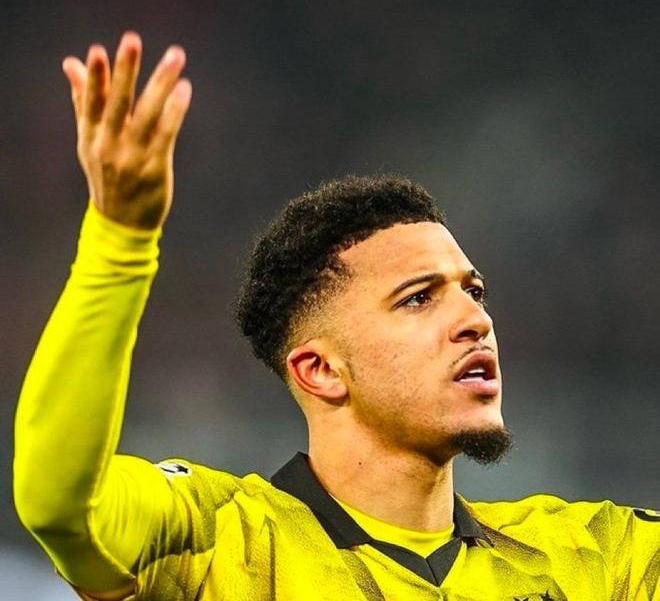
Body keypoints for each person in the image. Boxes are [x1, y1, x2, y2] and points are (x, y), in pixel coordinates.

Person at [13, 31, 659, 601]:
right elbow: (60, 504)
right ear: (320, 370)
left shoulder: (596, 556)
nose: (475, 320)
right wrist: (120, 242)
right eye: (418, 298)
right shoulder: (216, 542)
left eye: (475, 291)